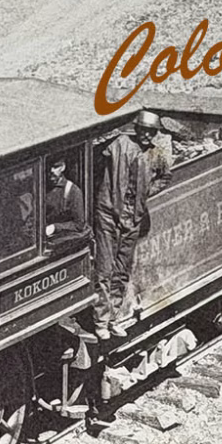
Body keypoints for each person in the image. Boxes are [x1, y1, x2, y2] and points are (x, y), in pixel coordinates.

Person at [81, 116, 155, 427]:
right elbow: (94, 161)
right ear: (136, 129)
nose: (147, 135)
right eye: (144, 130)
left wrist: (146, 196)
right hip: (109, 214)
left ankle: (112, 318)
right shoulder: (117, 146)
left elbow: (166, 175)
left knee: (123, 270)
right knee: (105, 268)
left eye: (151, 131)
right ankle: (101, 321)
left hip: (132, 217)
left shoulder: (156, 154)